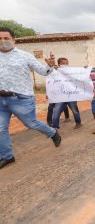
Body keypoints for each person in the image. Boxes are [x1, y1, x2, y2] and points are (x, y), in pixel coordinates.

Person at [0, 27, 61, 169]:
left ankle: (52, 132)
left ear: (13, 40)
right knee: (1, 129)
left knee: (31, 124)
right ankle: (7, 156)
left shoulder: (24, 56)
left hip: (21, 99)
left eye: (6, 38)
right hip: (0, 100)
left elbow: (43, 71)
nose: (3, 41)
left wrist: (49, 66)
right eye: (0, 39)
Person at [51, 57, 82, 130]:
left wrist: (85, 69)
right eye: (63, 63)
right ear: (58, 64)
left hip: (71, 95)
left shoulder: (71, 71)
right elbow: (50, 82)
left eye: (66, 63)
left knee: (75, 110)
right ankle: (55, 127)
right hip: (60, 96)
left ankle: (78, 123)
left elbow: (79, 74)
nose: (65, 65)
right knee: (56, 111)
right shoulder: (54, 71)